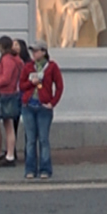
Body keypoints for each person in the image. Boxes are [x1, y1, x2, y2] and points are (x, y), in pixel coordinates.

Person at [23, 44, 62, 179]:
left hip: (44, 106)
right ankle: (30, 169)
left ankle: (45, 169)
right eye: (32, 51)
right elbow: (21, 84)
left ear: (44, 52)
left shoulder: (52, 67)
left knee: (44, 139)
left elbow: (59, 86)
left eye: (36, 51)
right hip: (29, 106)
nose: (34, 53)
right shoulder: (28, 67)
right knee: (30, 140)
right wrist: (31, 83)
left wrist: (52, 103)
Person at [0, 36, 28, 166]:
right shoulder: (17, 60)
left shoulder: (7, 60)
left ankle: (6, 154)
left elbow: (5, 78)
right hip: (13, 93)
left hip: (6, 94)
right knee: (7, 124)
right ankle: (4, 153)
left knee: (5, 125)